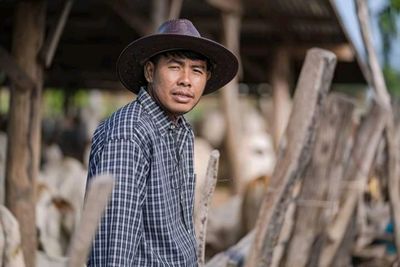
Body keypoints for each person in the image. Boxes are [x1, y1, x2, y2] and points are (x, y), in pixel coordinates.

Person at [86, 18, 238, 266]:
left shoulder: (180, 131)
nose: (186, 80)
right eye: (175, 67)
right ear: (149, 71)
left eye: (197, 70)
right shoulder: (129, 133)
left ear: (206, 78)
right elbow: (113, 251)